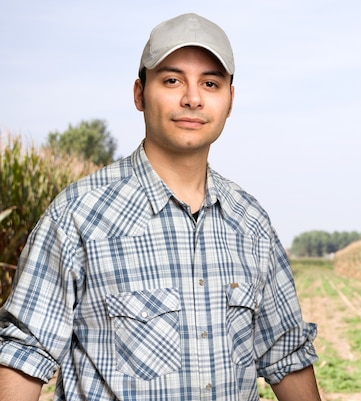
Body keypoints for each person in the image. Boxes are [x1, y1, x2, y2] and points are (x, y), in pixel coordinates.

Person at [0, 13, 321, 401]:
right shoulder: (79, 216)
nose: (192, 97)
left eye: (210, 83)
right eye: (172, 80)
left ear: (230, 101)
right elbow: (24, 354)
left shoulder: (251, 224)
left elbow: (285, 354)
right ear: (139, 93)